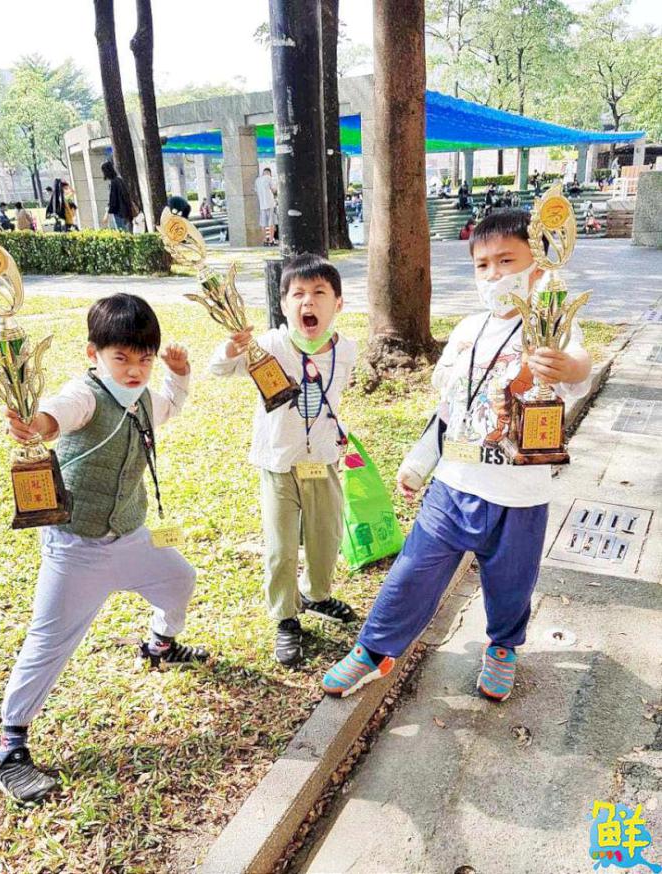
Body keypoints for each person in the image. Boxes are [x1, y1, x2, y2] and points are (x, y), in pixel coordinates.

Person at [322, 209, 592, 701]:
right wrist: (419, 463)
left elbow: (577, 368)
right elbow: (450, 408)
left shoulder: (551, 324)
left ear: (539, 264)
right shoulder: (468, 330)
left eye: (506, 260)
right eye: (482, 265)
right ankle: (373, 650)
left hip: (520, 494)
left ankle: (503, 647)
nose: (493, 275)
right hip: (454, 486)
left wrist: (562, 363)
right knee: (412, 572)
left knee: (512, 582)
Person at [0, 294, 209, 803]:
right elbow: (60, 412)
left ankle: (160, 645)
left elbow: (171, 407)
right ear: (94, 354)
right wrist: (36, 424)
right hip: (76, 547)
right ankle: (10, 742)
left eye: (144, 358)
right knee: (49, 642)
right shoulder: (86, 394)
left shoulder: (148, 396)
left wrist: (178, 373)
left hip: (131, 536)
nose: (135, 370)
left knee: (179, 580)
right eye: (122, 358)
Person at [209, 254, 358, 666]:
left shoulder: (347, 349)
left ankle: (316, 595)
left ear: (338, 304)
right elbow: (219, 369)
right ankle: (285, 617)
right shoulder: (270, 345)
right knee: (281, 549)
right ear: (284, 304)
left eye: (319, 294)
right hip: (278, 463)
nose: (307, 303)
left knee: (326, 540)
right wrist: (231, 347)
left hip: (323, 461)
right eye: (298, 294)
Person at [101, 160, 134, 233]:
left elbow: (112, 200)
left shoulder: (113, 182)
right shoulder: (119, 179)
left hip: (118, 212)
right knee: (126, 231)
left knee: (122, 232)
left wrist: (107, 213)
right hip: (125, 211)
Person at [254, 166, 277, 246]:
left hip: (262, 205)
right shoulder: (269, 178)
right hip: (270, 203)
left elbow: (256, 191)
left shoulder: (257, 180)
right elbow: (274, 189)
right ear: (269, 173)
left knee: (263, 223)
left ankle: (264, 240)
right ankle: (271, 240)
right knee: (271, 223)